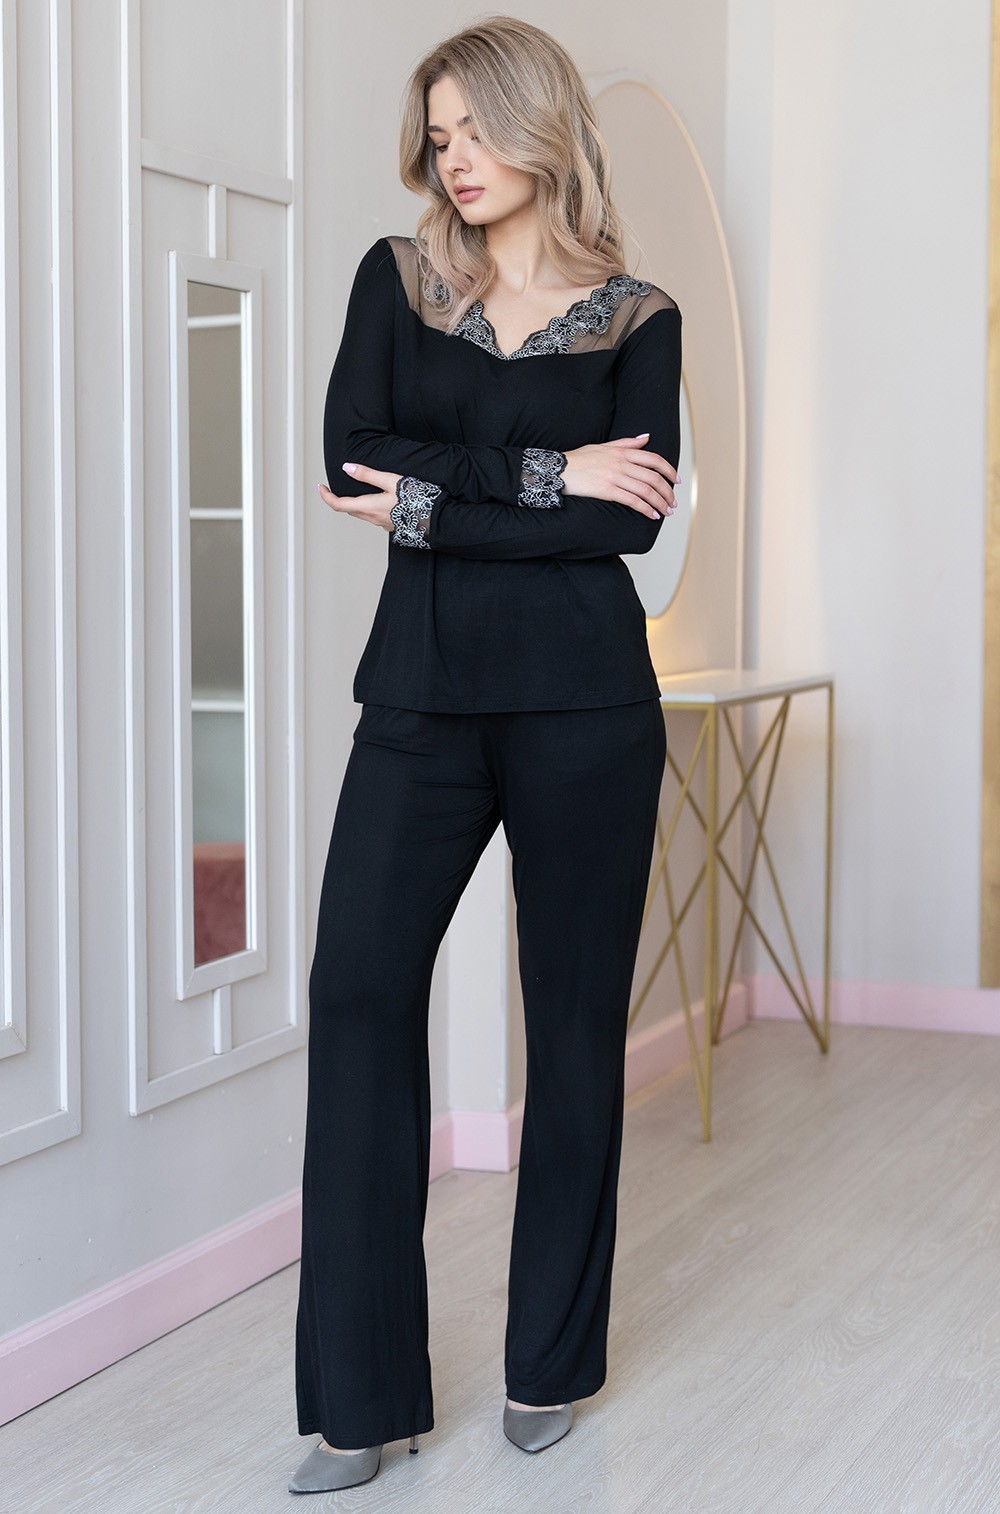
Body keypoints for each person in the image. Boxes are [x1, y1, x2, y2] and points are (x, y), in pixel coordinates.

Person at [288, 15, 682, 1496]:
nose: (453, 158)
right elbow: (351, 457)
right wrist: (545, 473)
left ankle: (549, 1363)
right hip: (422, 697)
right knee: (357, 992)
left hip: (589, 706)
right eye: (437, 134)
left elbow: (624, 524)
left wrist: (435, 506)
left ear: (541, 126)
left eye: (476, 129)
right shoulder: (396, 283)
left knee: (573, 1028)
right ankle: (361, 1400)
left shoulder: (639, 318)